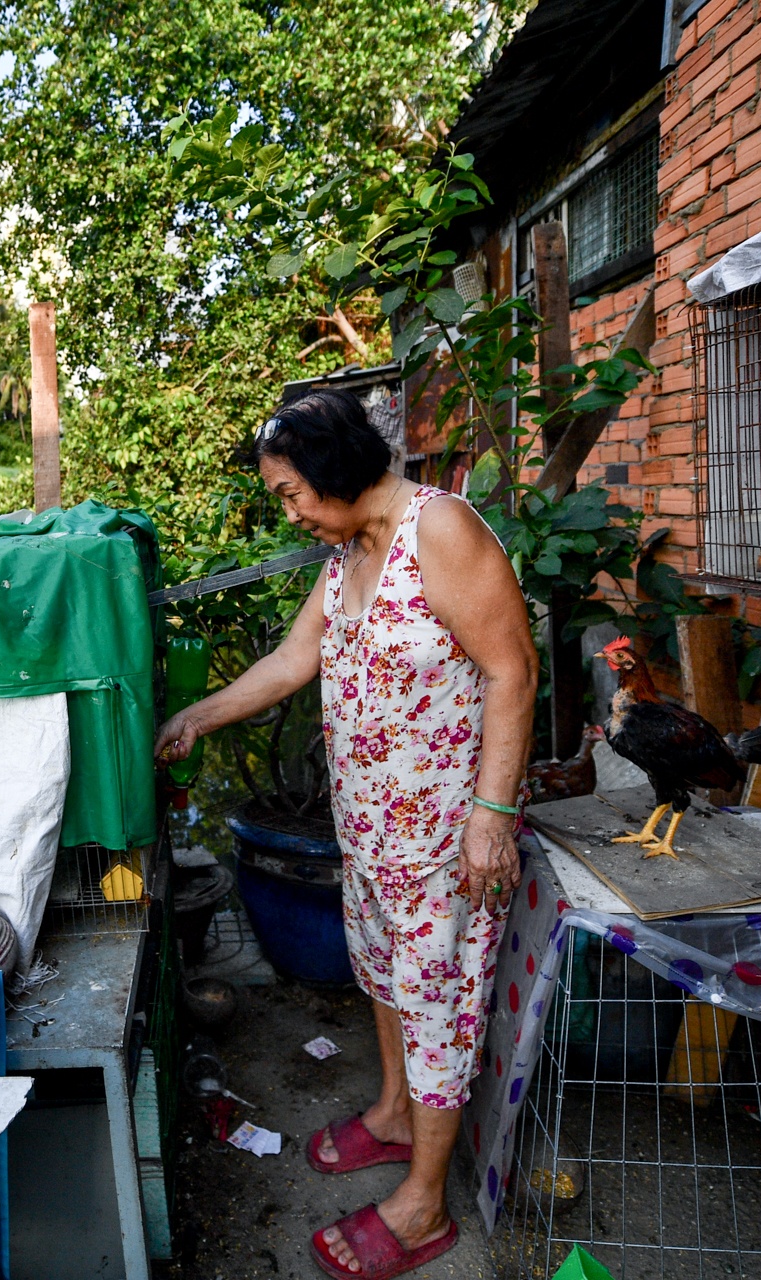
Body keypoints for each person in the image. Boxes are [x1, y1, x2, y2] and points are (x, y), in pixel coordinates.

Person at [154, 388, 536, 1279]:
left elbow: (511, 670)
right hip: (370, 832)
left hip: (443, 838)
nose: (286, 508)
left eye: (290, 491)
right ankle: (397, 1112)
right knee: (385, 977)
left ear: (332, 471)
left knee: (436, 1003)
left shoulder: (438, 530)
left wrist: (494, 817)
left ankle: (424, 1204)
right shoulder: (349, 554)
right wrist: (197, 716)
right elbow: (296, 660)